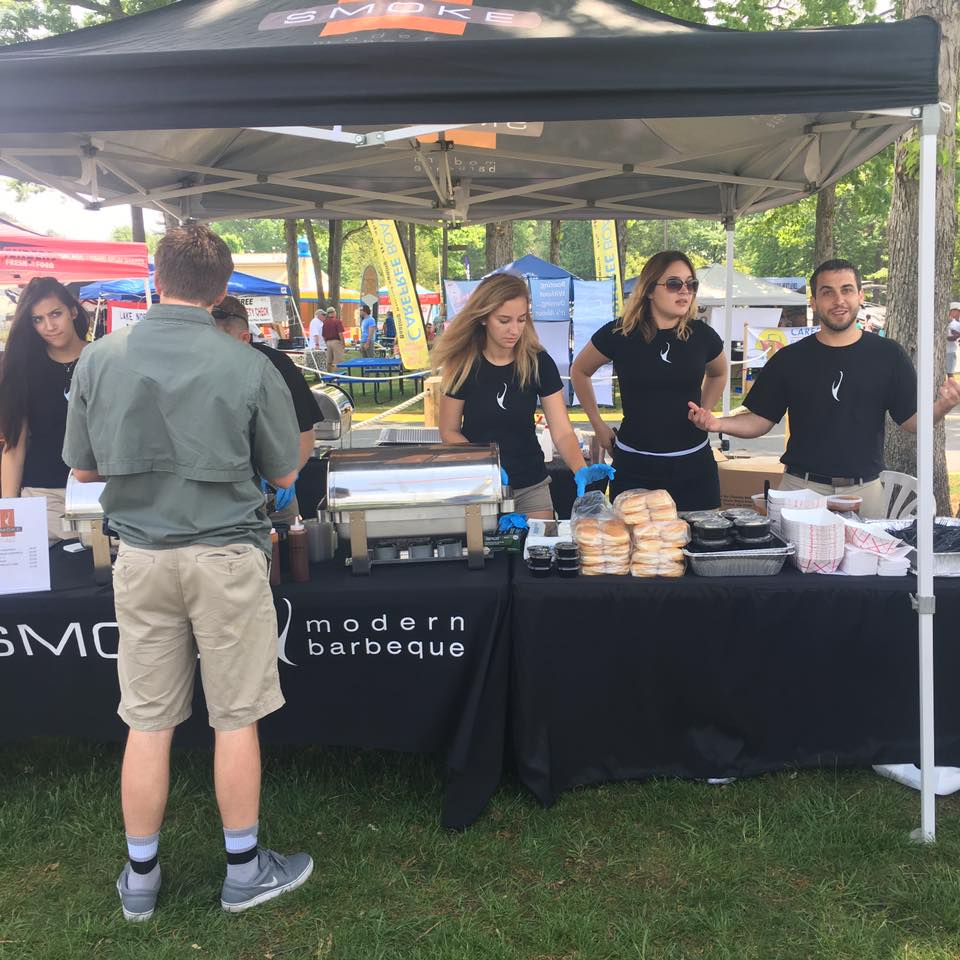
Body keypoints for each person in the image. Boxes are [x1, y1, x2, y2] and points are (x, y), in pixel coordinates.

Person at [63, 225, 312, 920]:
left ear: (155, 277)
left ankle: (140, 879)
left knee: (148, 720)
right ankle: (243, 871)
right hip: (227, 556)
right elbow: (285, 469)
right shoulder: (247, 362)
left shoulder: (100, 357)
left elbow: (81, 468)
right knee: (235, 717)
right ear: (224, 289)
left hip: (140, 556)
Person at [688, 258, 960, 517]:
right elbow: (760, 420)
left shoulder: (889, 355)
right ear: (814, 302)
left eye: (847, 290)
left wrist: (942, 406)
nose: (839, 300)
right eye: (827, 292)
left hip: (865, 491)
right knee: (795, 567)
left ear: (860, 296)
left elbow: (911, 422)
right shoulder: (789, 359)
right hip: (800, 488)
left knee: (865, 568)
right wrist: (717, 423)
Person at [570, 251, 728, 510]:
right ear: (650, 290)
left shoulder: (702, 335)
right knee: (634, 547)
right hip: (634, 467)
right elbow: (579, 371)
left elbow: (719, 372)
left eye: (691, 284)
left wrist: (705, 411)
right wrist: (598, 425)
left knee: (698, 546)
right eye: (675, 284)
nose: (685, 291)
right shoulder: (619, 333)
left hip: (693, 467)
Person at [433, 273, 597, 520]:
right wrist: (487, 467)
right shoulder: (464, 365)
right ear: (484, 318)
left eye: (521, 320)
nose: (514, 330)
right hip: (480, 488)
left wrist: (579, 469)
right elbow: (449, 430)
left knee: (537, 552)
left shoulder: (538, 362)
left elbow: (561, 430)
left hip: (531, 484)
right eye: (504, 320)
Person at [213, 295, 322, 522]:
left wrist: (284, 480)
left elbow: (305, 433)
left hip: (273, 499)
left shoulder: (277, 365)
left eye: (219, 343)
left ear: (245, 338)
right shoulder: (195, 369)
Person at [0, 277, 89, 542]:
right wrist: (9, 511)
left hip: (99, 494)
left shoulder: (102, 359)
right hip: (41, 498)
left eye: (55, 314)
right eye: (38, 319)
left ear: (72, 311)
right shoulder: (23, 370)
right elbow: (14, 445)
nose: (49, 326)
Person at [322, 306, 345, 370]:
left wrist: (326, 343)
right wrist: (343, 343)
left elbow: (323, 335)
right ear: (334, 312)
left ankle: (329, 376)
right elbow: (340, 333)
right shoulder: (337, 321)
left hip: (328, 342)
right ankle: (338, 376)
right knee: (338, 360)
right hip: (336, 342)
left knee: (329, 361)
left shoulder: (325, 323)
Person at [947, 301, 960, 377]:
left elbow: (953, 338)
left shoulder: (956, 324)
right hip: (941, 351)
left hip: (950, 352)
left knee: (950, 374)